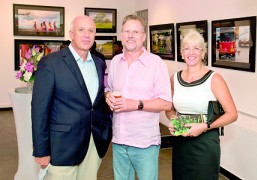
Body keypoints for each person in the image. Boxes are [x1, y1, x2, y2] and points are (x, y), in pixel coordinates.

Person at [31, 15, 112, 180]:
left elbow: (95, 102)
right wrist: (41, 150)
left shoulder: (99, 63)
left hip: (93, 144)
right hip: (63, 147)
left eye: (91, 31)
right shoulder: (51, 63)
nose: (86, 35)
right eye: (81, 30)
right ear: (71, 34)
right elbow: (39, 110)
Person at [105, 14, 172, 180]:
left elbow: (166, 103)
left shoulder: (156, 63)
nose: (130, 36)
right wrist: (107, 97)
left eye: (135, 32)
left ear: (143, 36)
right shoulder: (115, 62)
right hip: (119, 141)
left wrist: (136, 104)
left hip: (145, 144)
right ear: (121, 35)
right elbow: (109, 89)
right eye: (127, 31)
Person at [165, 30, 238, 180]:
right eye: (187, 48)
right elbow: (169, 108)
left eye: (196, 48)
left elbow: (232, 114)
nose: (191, 52)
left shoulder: (214, 79)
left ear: (203, 53)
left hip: (205, 142)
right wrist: (174, 120)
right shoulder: (174, 79)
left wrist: (205, 126)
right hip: (181, 140)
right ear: (182, 53)